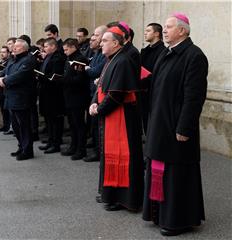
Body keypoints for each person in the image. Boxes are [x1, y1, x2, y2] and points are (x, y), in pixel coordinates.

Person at [143, 13, 208, 236]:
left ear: (182, 30)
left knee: (177, 175)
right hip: (159, 124)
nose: (165, 30)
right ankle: (160, 214)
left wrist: (184, 128)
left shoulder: (194, 56)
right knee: (160, 170)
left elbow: (194, 97)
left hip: (175, 128)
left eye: (169, 27)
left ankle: (178, 220)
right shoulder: (165, 53)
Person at [89, 26, 144, 212]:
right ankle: (111, 195)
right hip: (111, 115)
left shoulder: (123, 61)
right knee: (110, 156)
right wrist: (94, 103)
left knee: (124, 157)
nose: (101, 43)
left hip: (122, 118)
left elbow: (116, 94)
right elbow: (101, 88)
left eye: (105, 40)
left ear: (115, 43)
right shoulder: (110, 60)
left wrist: (99, 110)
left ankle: (124, 199)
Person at [0, 39, 36, 161]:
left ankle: (28, 150)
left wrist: (4, 81)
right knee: (15, 125)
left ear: (24, 48)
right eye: (14, 46)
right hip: (10, 96)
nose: (14, 48)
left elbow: (19, 76)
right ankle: (21, 146)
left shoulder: (28, 60)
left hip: (21, 97)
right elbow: (4, 71)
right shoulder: (13, 59)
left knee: (24, 125)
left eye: (17, 47)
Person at [60, 38, 90, 160]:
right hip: (69, 95)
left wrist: (63, 80)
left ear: (73, 47)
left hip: (78, 96)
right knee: (72, 124)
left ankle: (81, 149)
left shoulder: (80, 59)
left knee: (79, 124)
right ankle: (73, 146)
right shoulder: (69, 58)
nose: (65, 52)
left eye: (66, 49)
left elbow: (81, 79)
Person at [37, 37, 66, 154]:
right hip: (45, 92)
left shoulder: (58, 58)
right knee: (48, 119)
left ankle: (56, 143)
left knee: (55, 120)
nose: (44, 49)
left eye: (46, 46)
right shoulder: (48, 57)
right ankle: (50, 141)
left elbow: (54, 76)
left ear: (53, 46)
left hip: (54, 94)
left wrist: (41, 76)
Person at [83, 25, 107, 162]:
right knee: (93, 125)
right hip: (93, 91)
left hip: (100, 93)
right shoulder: (97, 52)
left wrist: (88, 69)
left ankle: (99, 152)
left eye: (97, 35)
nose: (94, 37)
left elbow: (94, 71)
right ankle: (97, 151)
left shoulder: (103, 54)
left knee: (98, 126)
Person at [140, 23, 166, 134]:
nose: (145, 33)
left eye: (148, 31)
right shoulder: (145, 50)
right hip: (142, 90)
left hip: (153, 92)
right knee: (146, 122)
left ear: (156, 34)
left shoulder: (162, 51)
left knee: (154, 126)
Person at [0, 46, 11, 133]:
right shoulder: (0, 62)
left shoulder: (10, 62)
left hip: (6, 88)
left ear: (8, 53)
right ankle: (5, 125)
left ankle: (9, 126)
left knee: (7, 109)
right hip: (0, 88)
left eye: (4, 52)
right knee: (2, 109)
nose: (2, 54)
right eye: (1, 52)